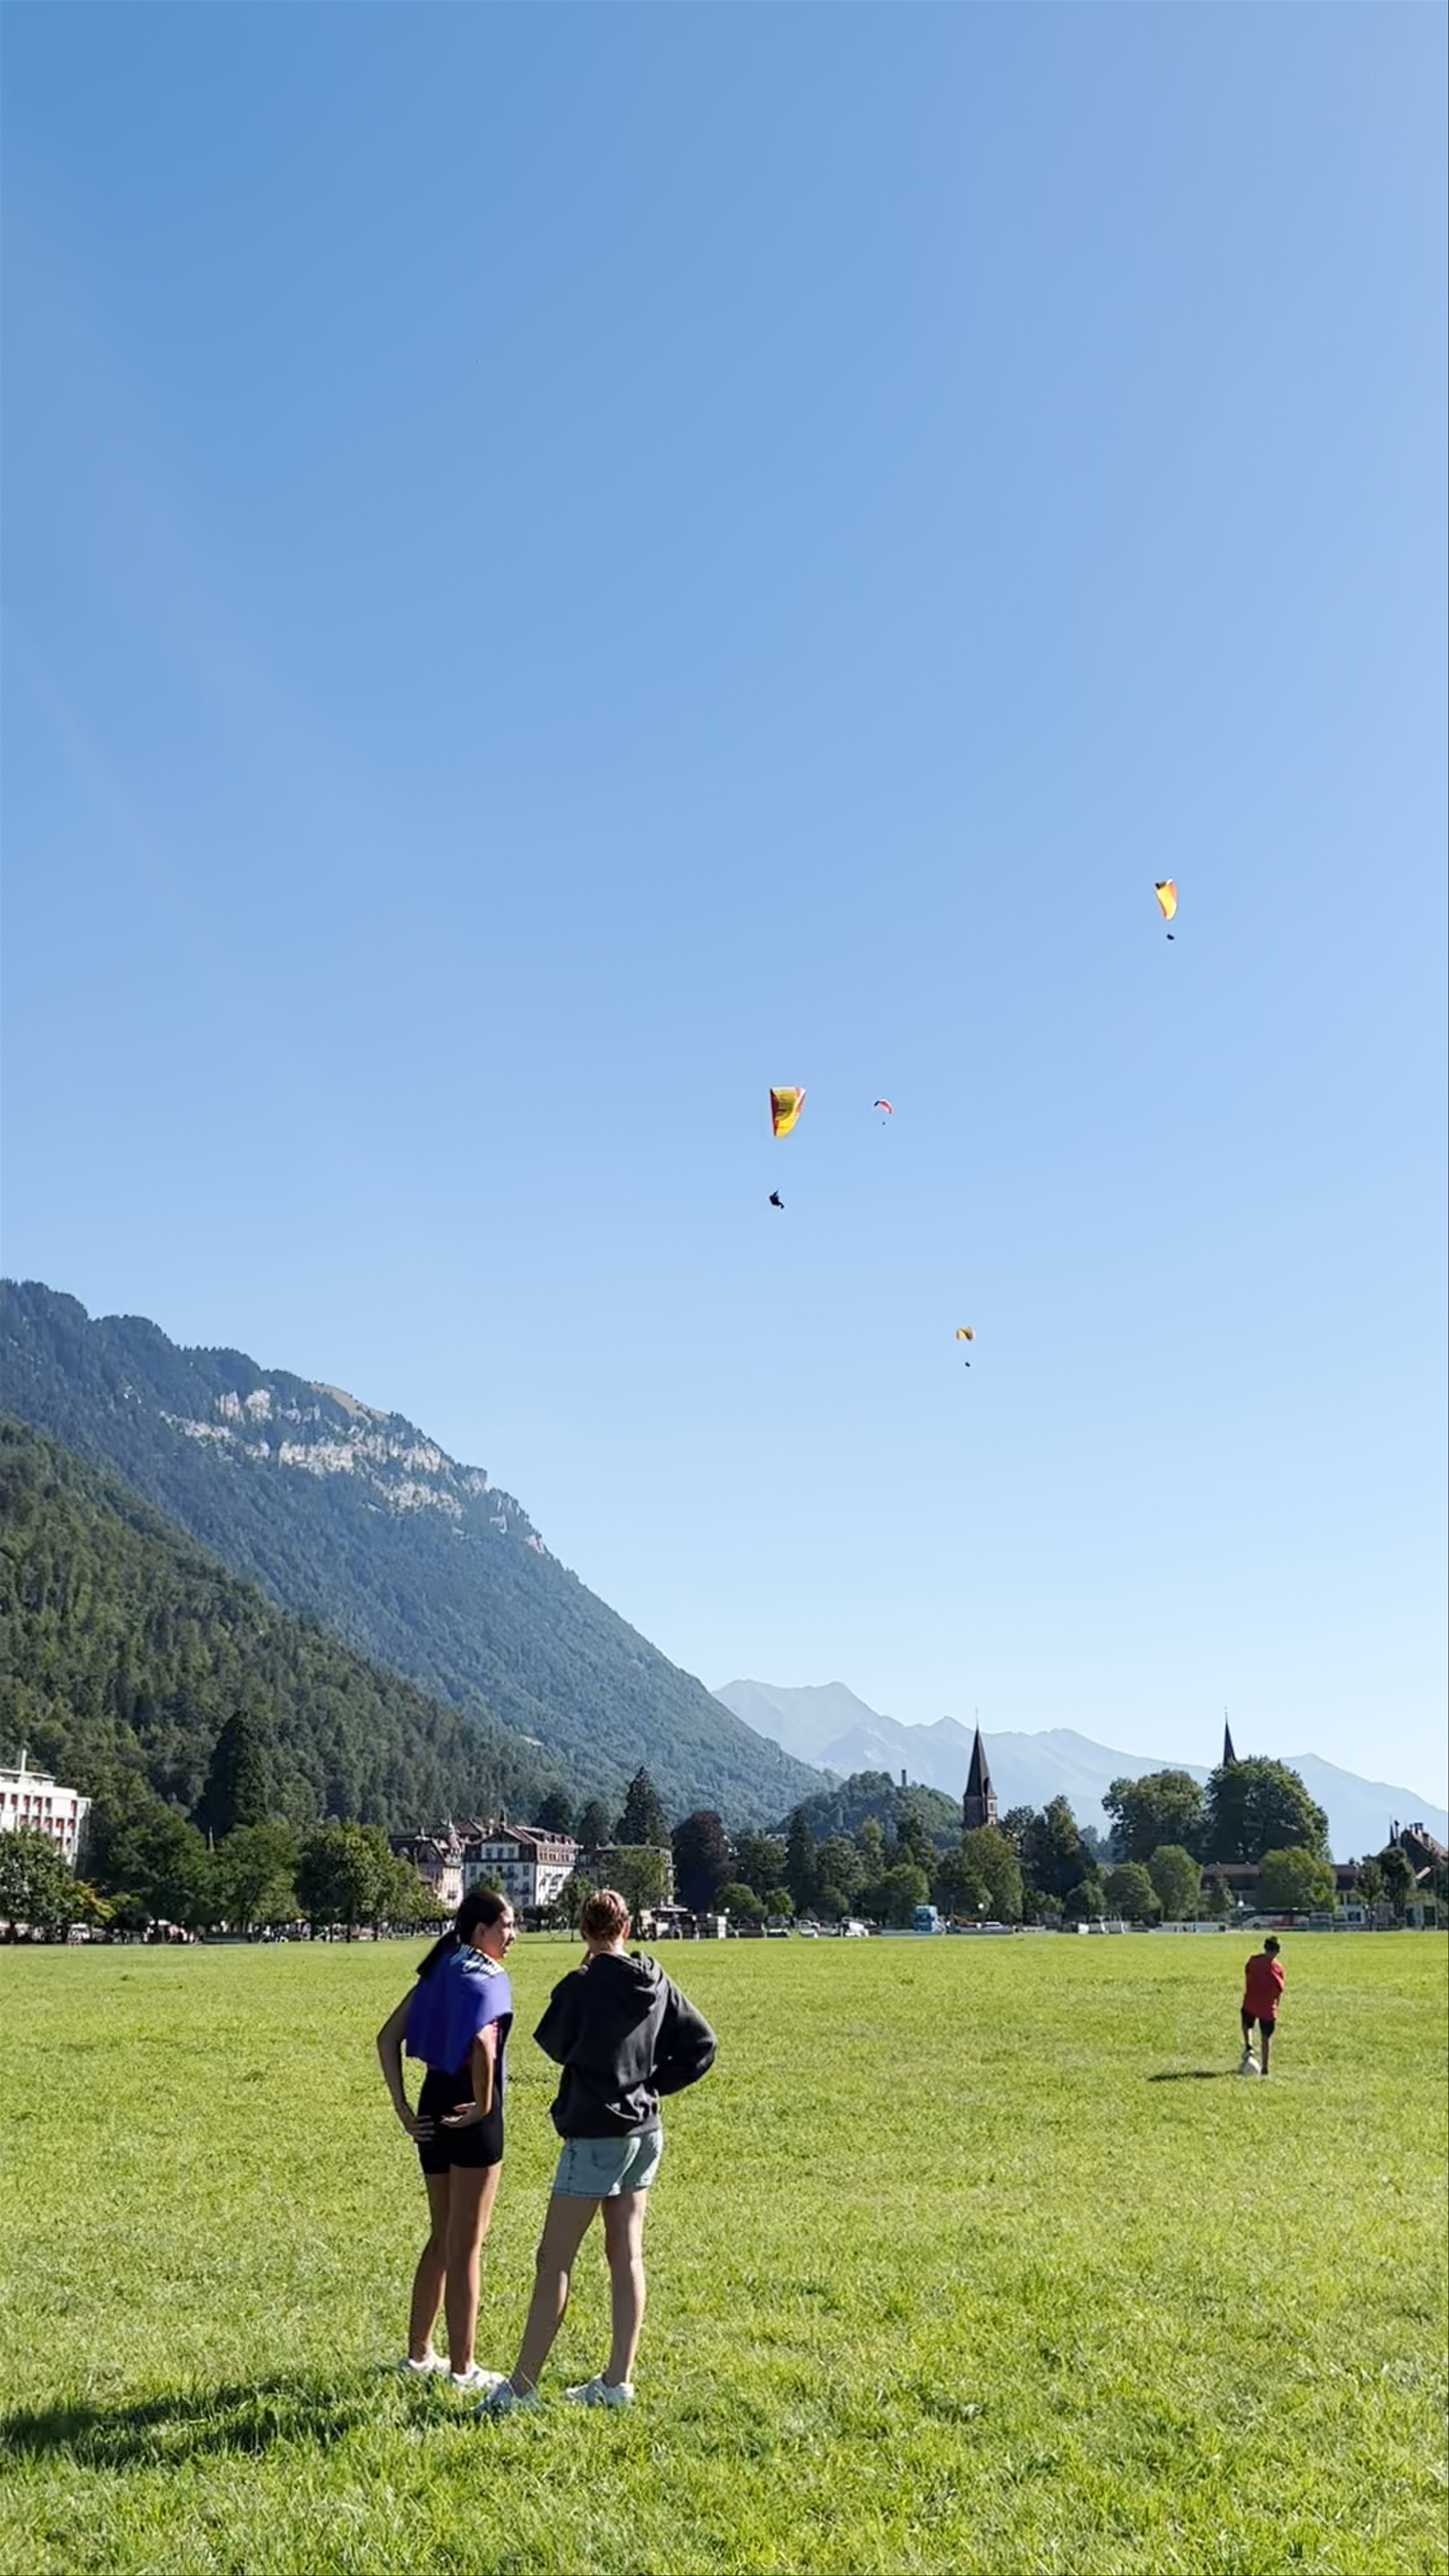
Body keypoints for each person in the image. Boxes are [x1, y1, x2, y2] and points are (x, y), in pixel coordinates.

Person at [478, 1887, 716, 2415]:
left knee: (554, 2259)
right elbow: (704, 2044)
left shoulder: (580, 1985)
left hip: (594, 2135)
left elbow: (556, 2043)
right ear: (628, 1926)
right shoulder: (655, 1978)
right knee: (626, 2254)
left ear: (585, 1930)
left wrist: (584, 1972)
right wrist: (653, 2083)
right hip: (645, 2132)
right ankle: (617, 2381)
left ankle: (519, 2388)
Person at [376, 1888, 516, 2389]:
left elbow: (386, 2036)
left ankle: (419, 2355)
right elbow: (483, 2042)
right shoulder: (489, 1975)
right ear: (482, 1931)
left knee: (442, 2236)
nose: (512, 1935)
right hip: (472, 2117)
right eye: (506, 1925)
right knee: (468, 2245)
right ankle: (463, 2367)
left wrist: (403, 2108)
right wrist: (482, 2105)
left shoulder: (439, 1967)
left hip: (433, 2107)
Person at [1240, 1934, 1284, 2077]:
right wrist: (1277, 2005)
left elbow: (1248, 1975)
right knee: (1266, 2038)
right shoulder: (1277, 1968)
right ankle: (1265, 2068)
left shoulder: (1253, 1961)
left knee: (1247, 2025)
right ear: (1277, 1951)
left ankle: (1249, 2046)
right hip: (1268, 2007)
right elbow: (1279, 1990)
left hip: (1251, 2001)